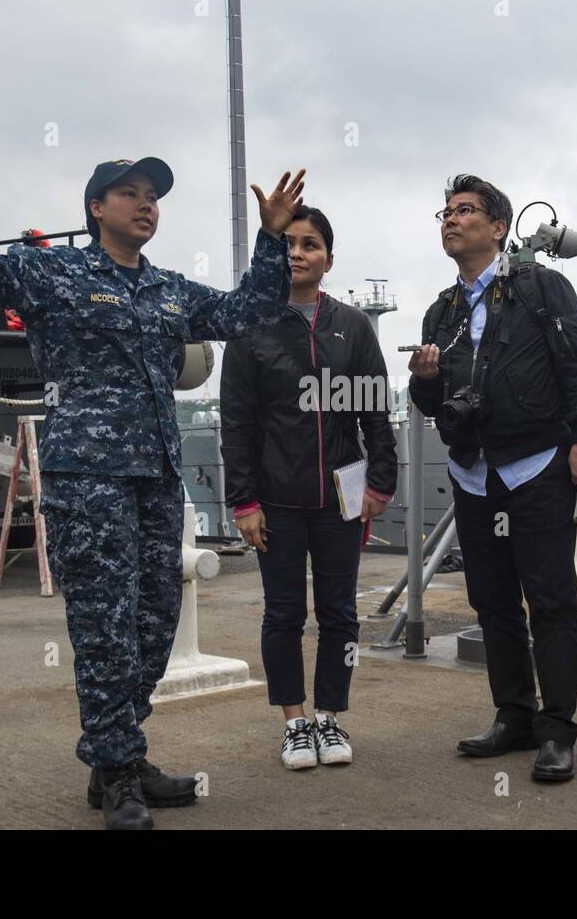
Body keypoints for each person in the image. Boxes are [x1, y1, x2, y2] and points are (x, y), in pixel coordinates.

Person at [0, 100, 302, 829]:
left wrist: (272, 239)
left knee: (156, 623)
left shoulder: (165, 290)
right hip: (87, 478)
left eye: (154, 195)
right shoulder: (52, 273)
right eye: (131, 192)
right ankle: (119, 769)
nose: (147, 204)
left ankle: (114, 756)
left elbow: (247, 313)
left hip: (155, 478)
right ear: (97, 206)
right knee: (104, 629)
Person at [408, 174, 577, 782]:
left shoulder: (542, 288)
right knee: (491, 600)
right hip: (473, 472)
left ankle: (557, 731)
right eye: (444, 211)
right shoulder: (439, 311)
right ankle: (514, 715)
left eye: (465, 210)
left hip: (537, 464)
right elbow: (429, 404)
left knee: (550, 600)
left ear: (498, 227)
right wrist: (423, 379)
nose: (451, 219)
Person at [220, 205, 397, 770]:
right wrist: (243, 501)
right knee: (284, 613)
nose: (297, 253)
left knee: (341, 613)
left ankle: (330, 716)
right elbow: (238, 423)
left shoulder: (353, 326)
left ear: (328, 258)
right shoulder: (251, 328)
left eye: (310, 244)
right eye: (289, 243)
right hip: (276, 500)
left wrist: (380, 485)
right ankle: (294, 721)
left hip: (341, 499)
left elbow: (375, 412)